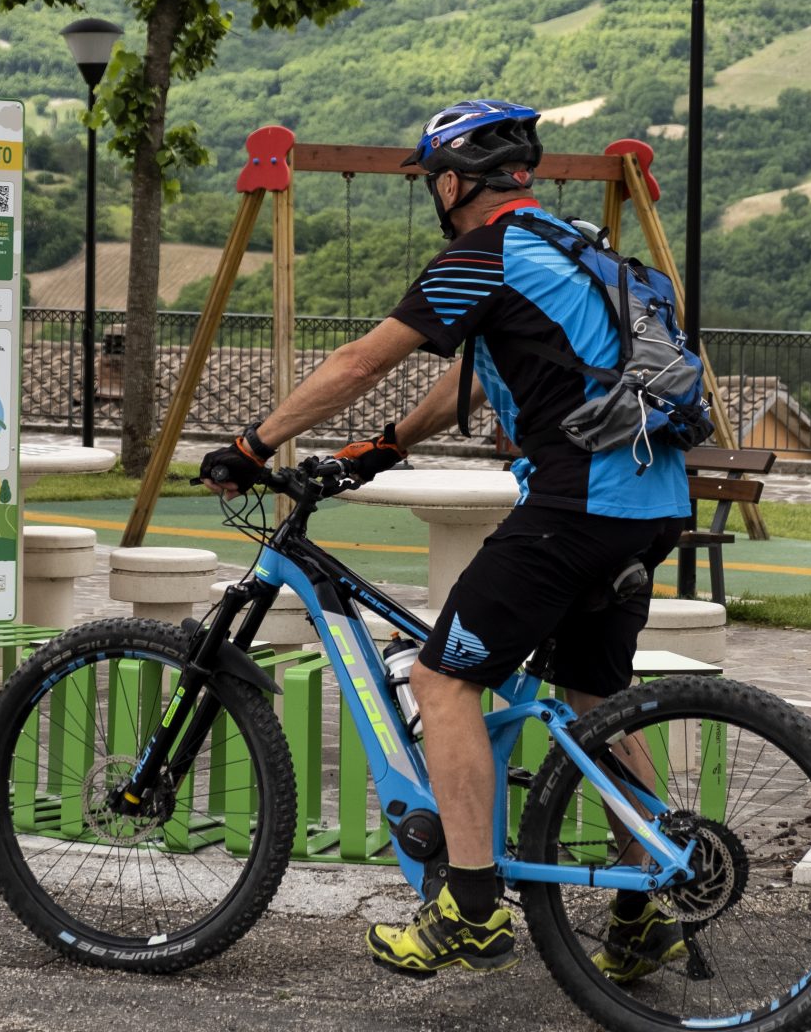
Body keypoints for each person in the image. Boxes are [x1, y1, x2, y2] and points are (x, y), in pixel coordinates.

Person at [199, 99, 694, 981]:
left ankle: (467, 909)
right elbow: (479, 373)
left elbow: (362, 358)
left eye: (435, 178)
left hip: (579, 500)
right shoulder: (566, 246)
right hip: (652, 499)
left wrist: (253, 445)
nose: (436, 191)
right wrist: (385, 446)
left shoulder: (484, 252)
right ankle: (642, 913)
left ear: (454, 181)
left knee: (441, 674)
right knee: (594, 696)